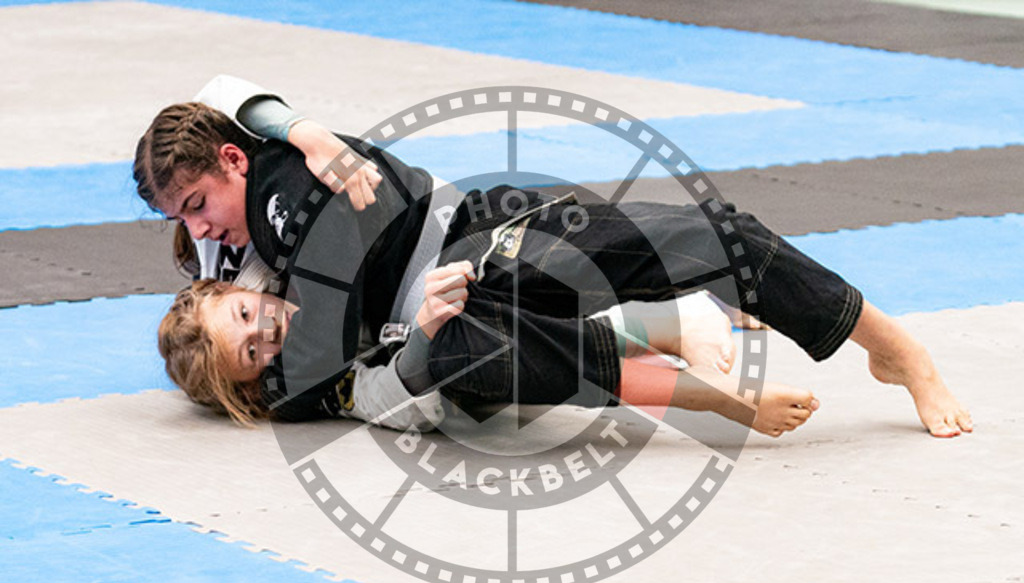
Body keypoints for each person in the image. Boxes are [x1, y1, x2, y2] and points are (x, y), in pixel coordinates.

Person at [137, 82, 973, 438]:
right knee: (465, 360)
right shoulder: (258, 329)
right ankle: (697, 369)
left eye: (198, 208)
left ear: (234, 161)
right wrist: (417, 330)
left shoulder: (288, 174)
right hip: (454, 326)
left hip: (476, 233)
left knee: (701, 238)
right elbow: (372, 390)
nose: (206, 231)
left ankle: (893, 348)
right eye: (252, 348)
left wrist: (299, 126)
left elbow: (224, 88)